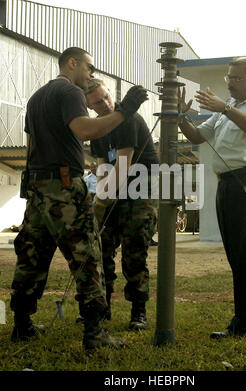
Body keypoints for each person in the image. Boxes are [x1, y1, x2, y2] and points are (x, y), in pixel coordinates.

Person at [10, 46, 148, 351]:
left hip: (38, 188)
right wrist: (125, 110)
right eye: (89, 67)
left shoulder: (36, 98)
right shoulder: (70, 92)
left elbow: (31, 145)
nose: (91, 74)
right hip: (64, 189)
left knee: (31, 256)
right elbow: (84, 130)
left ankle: (22, 324)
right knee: (88, 257)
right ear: (72, 63)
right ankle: (95, 332)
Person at [178, 57, 246, 338]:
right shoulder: (224, 112)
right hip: (227, 185)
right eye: (228, 78)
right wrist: (181, 117)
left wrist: (226, 107)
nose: (230, 83)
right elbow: (197, 136)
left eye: (236, 78)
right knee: (239, 256)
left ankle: (245, 326)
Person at [84, 78, 158, 330]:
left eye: (106, 96)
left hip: (138, 194)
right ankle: (101, 308)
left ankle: (139, 311)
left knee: (134, 253)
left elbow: (123, 165)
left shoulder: (128, 119)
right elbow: (104, 166)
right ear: (89, 106)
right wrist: (100, 200)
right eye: (98, 101)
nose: (105, 103)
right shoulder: (97, 129)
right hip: (114, 191)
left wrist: (102, 200)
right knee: (101, 251)